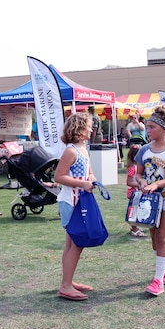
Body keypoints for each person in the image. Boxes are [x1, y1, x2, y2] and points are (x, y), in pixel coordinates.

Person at [133, 105, 165, 297]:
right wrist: (142, 181)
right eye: (147, 127)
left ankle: (157, 281)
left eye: (152, 127)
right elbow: (136, 175)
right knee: (155, 239)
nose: (148, 130)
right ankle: (163, 270)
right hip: (150, 202)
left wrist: (157, 184)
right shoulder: (144, 150)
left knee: (162, 237)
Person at [54, 111, 96, 301]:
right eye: (88, 125)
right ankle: (66, 285)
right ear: (79, 129)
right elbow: (59, 176)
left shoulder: (82, 149)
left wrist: (92, 179)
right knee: (76, 244)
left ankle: (68, 281)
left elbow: (89, 172)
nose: (91, 129)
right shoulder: (71, 151)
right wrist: (83, 184)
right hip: (71, 201)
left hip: (78, 201)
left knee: (71, 244)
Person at [125, 145, 145, 238]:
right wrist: (140, 184)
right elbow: (129, 182)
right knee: (134, 211)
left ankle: (136, 227)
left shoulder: (137, 167)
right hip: (134, 193)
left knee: (138, 210)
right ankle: (134, 228)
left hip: (138, 192)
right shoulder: (133, 168)